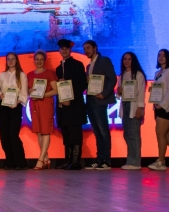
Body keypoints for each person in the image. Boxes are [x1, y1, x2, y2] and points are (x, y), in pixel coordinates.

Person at [83, 40, 117, 170]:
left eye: (88, 48)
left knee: (103, 131)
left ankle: (106, 160)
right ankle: (99, 159)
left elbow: (113, 78)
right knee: (97, 132)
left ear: (95, 48)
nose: (86, 51)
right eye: (85, 49)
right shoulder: (88, 66)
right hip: (90, 101)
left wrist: (104, 93)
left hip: (100, 100)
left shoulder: (104, 61)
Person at [54, 41, 87, 170]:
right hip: (63, 105)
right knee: (66, 133)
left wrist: (71, 100)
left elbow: (82, 85)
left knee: (75, 134)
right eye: (62, 49)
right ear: (59, 51)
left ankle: (75, 161)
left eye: (66, 48)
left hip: (75, 105)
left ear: (70, 50)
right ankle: (67, 160)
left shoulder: (78, 65)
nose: (64, 51)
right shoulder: (58, 68)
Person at [0, 52, 28, 170]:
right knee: (4, 135)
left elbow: (24, 93)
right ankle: (9, 162)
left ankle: (20, 162)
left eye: (13, 59)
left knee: (13, 135)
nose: (10, 61)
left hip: (15, 107)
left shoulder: (22, 75)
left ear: (16, 60)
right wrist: (1, 95)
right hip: (3, 107)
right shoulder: (2, 75)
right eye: (8, 59)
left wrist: (17, 102)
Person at [27, 50, 57, 169]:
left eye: (41, 59)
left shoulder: (49, 73)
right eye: (37, 59)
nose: (39, 61)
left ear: (45, 61)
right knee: (39, 131)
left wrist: (43, 95)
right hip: (34, 104)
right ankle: (46, 158)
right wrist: (29, 91)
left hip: (45, 103)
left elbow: (55, 90)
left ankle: (40, 159)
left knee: (45, 131)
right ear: (34, 60)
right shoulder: (29, 75)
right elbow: (27, 90)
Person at [119, 52, 146, 170]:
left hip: (134, 106)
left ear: (133, 60)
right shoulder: (122, 75)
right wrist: (119, 91)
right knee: (127, 134)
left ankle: (135, 162)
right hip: (125, 105)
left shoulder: (138, 75)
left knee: (134, 134)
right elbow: (119, 94)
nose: (126, 61)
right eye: (124, 59)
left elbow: (141, 93)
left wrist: (140, 108)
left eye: (129, 59)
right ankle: (130, 160)